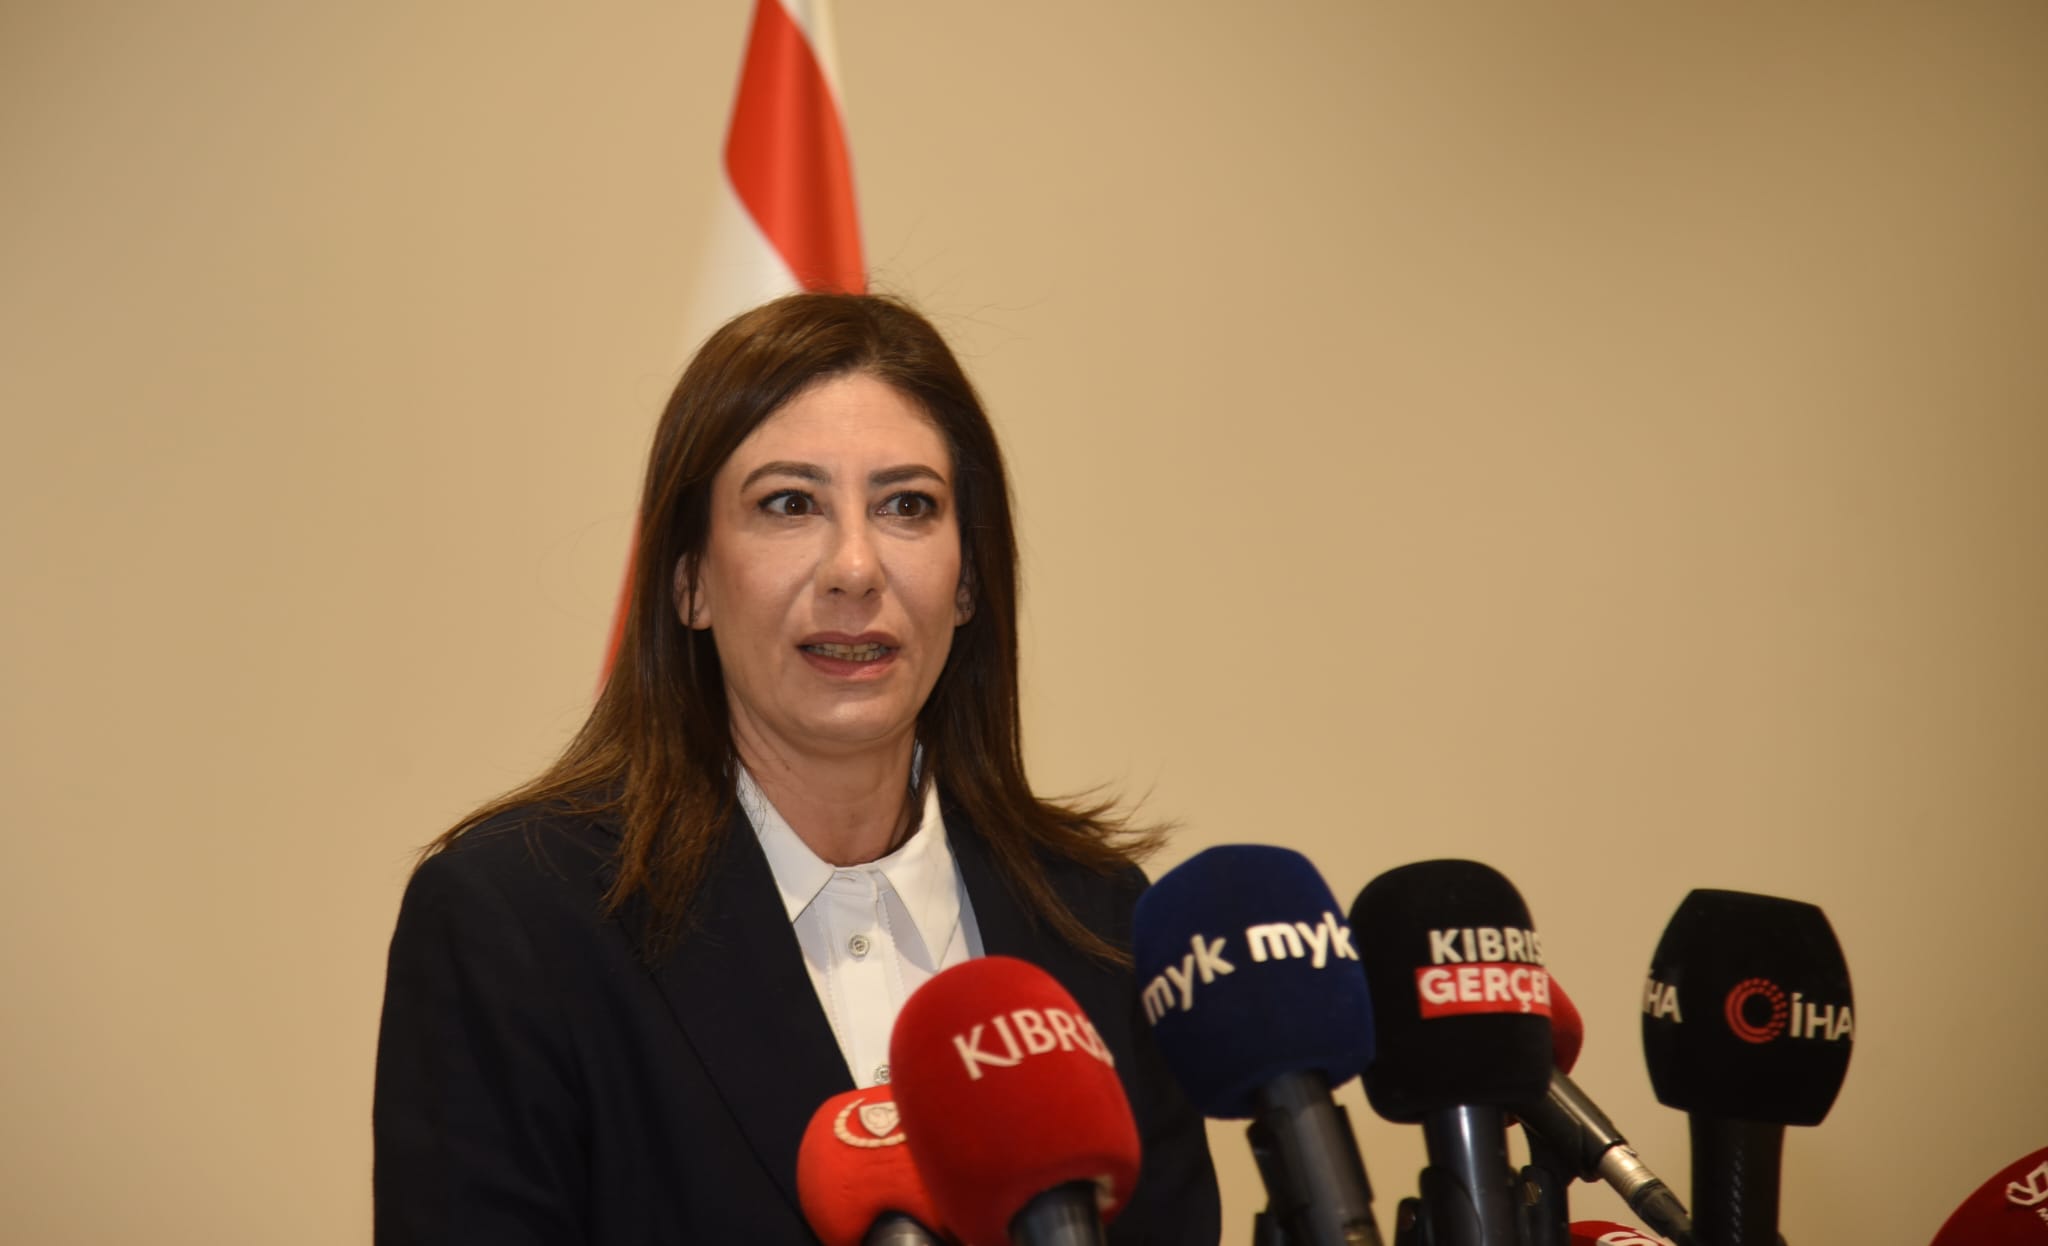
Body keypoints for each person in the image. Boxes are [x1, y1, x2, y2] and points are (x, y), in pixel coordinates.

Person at [373, 292, 1222, 1243]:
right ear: (689, 580)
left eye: (908, 505)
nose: (855, 567)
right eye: (790, 504)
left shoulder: (1099, 924)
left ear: (969, 580)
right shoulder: (516, 924)